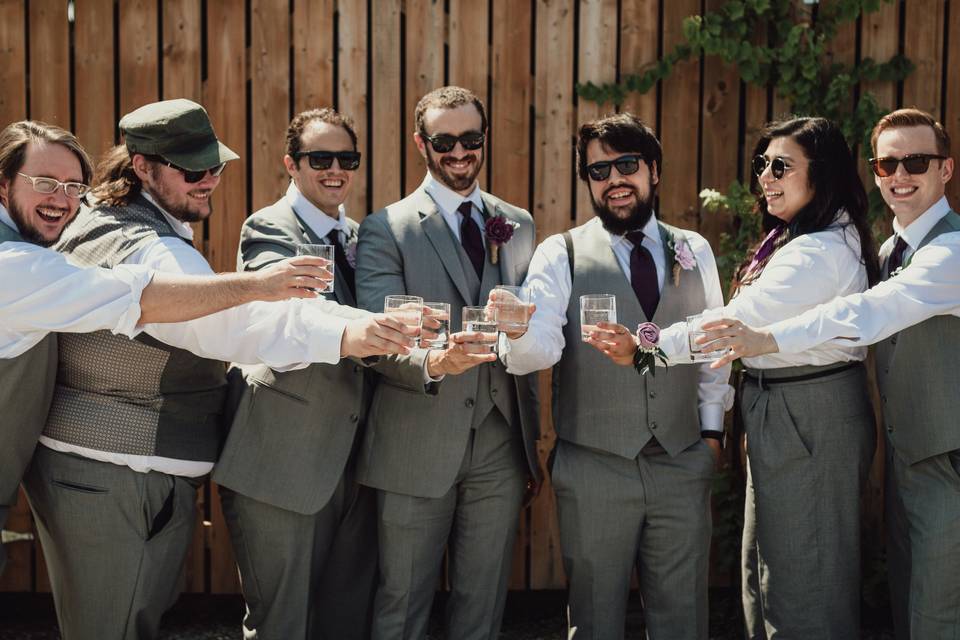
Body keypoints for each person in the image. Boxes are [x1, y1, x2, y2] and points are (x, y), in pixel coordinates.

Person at [20, 99, 415, 640]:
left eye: (215, 166)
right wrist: (350, 334)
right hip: (119, 474)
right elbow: (233, 325)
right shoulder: (150, 248)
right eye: (192, 170)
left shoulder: (106, 214)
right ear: (142, 167)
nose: (208, 181)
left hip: (106, 472)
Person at [0, 119, 336, 576]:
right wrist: (263, 286)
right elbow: (138, 297)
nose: (61, 198)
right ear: (3, 184)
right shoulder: (15, 265)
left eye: (73, 185)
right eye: (43, 183)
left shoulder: (81, 220)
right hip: (114, 468)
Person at [699, 108, 960, 640]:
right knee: (907, 607)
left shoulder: (951, 251)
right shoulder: (888, 252)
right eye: (887, 164)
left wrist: (770, 337)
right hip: (907, 458)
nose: (900, 175)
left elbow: (864, 316)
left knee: (938, 616)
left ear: (946, 169)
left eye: (916, 161)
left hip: (950, 459)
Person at [501, 112, 731, 639]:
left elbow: (713, 346)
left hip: (680, 461)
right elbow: (541, 347)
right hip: (594, 466)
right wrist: (515, 333)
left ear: (654, 170)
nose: (613, 181)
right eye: (598, 171)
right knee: (595, 618)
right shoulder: (561, 253)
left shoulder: (692, 249)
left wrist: (712, 435)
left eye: (626, 165)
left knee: (683, 619)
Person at [355, 86, 541, 640]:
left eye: (471, 139)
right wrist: (435, 361)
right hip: (416, 436)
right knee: (402, 601)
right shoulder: (385, 228)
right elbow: (377, 335)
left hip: (501, 439)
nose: (459, 152)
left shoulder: (519, 223)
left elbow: (534, 326)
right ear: (421, 143)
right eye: (444, 141)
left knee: (482, 605)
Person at [215, 107, 400, 639]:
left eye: (347, 158)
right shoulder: (268, 228)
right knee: (282, 623)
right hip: (282, 456)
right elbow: (288, 312)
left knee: (345, 621)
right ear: (291, 165)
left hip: (355, 456)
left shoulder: (364, 235)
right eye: (320, 158)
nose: (335, 169)